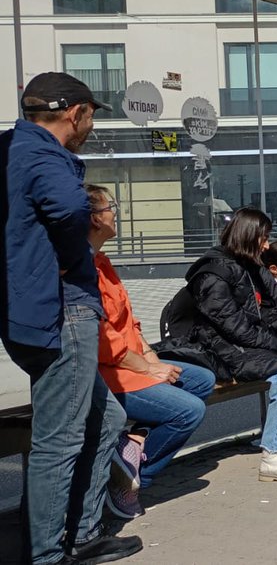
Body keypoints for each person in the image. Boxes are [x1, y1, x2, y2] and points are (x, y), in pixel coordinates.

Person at [1, 73, 143, 564]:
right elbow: (66, 207)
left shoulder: (11, 148)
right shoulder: (46, 154)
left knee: (109, 421)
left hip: (35, 310)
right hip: (64, 312)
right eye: (90, 116)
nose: (89, 126)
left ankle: (83, 534)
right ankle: (48, 554)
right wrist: (64, 255)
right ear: (74, 112)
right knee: (59, 441)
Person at [156, 208, 277, 482]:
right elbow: (236, 329)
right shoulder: (213, 274)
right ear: (249, 237)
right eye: (264, 238)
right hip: (214, 349)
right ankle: (274, 454)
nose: (268, 245)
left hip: (240, 344)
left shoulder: (250, 267)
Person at [87, 185, 216, 519]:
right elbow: (103, 341)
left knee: (200, 379)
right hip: (106, 372)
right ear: (94, 219)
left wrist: (152, 358)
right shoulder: (82, 268)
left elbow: (131, 323)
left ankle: (133, 443)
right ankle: (128, 481)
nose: (117, 212)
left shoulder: (103, 262)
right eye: (111, 206)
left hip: (130, 364)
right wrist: (146, 368)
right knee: (188, 411)